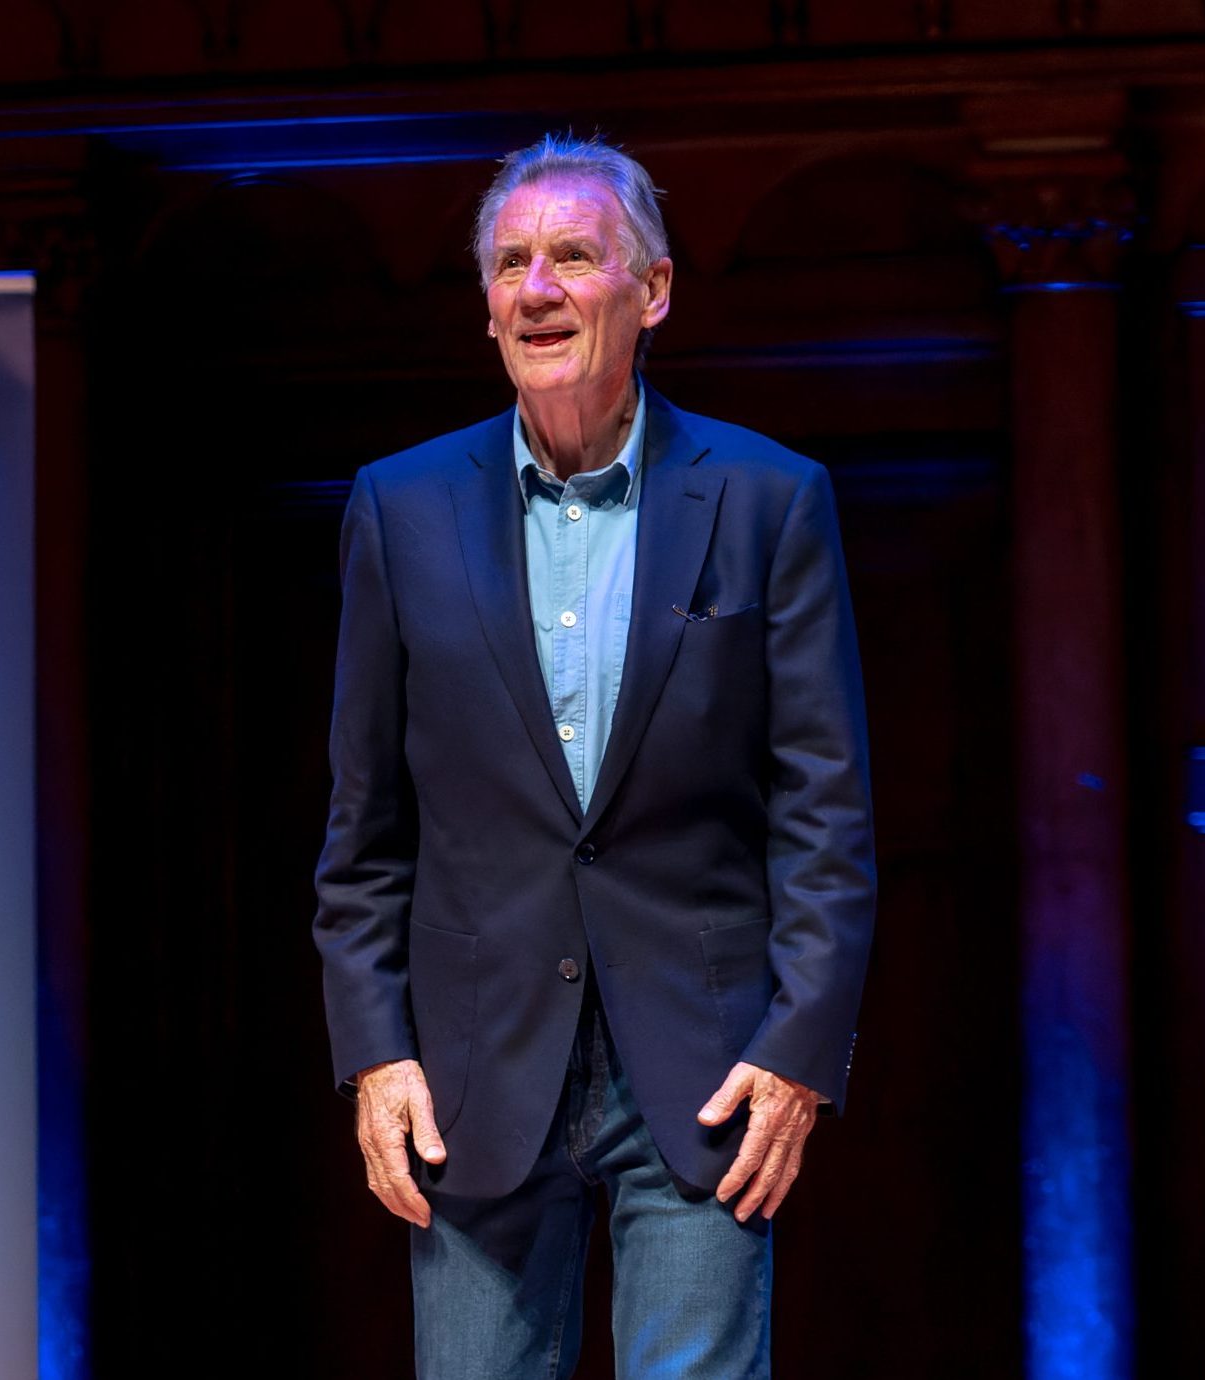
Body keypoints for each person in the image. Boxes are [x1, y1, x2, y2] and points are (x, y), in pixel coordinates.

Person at [312, 132, 876, 1379]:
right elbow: (363, 825)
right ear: (485, 305)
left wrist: (797, 1050)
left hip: (704, 1067)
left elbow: (824, 813)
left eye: (572, 256)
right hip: (471, 1073)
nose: (537, 288)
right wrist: (374, 1052)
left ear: (653, 290)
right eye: (510, 264)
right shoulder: (400, 508)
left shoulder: (767, 498)